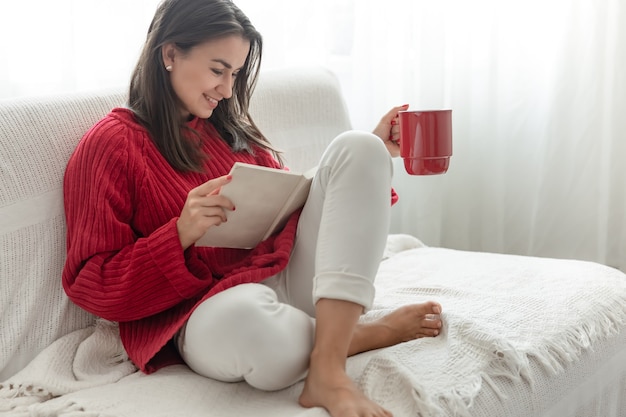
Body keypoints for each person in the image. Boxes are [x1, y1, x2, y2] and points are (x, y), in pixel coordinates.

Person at [62, 1, 443, 416]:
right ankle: (360, 333)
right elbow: (90, 284)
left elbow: (292, 214)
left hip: (281, 277)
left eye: (235, 74)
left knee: (361, 147)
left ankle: (328, 372)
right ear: (169, 54)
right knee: (258, 331)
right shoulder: (109, 145)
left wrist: (358, 169)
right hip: (206, 315)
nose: (227, 89)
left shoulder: (230, 129)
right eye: (217, 69)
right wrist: (178, 235)